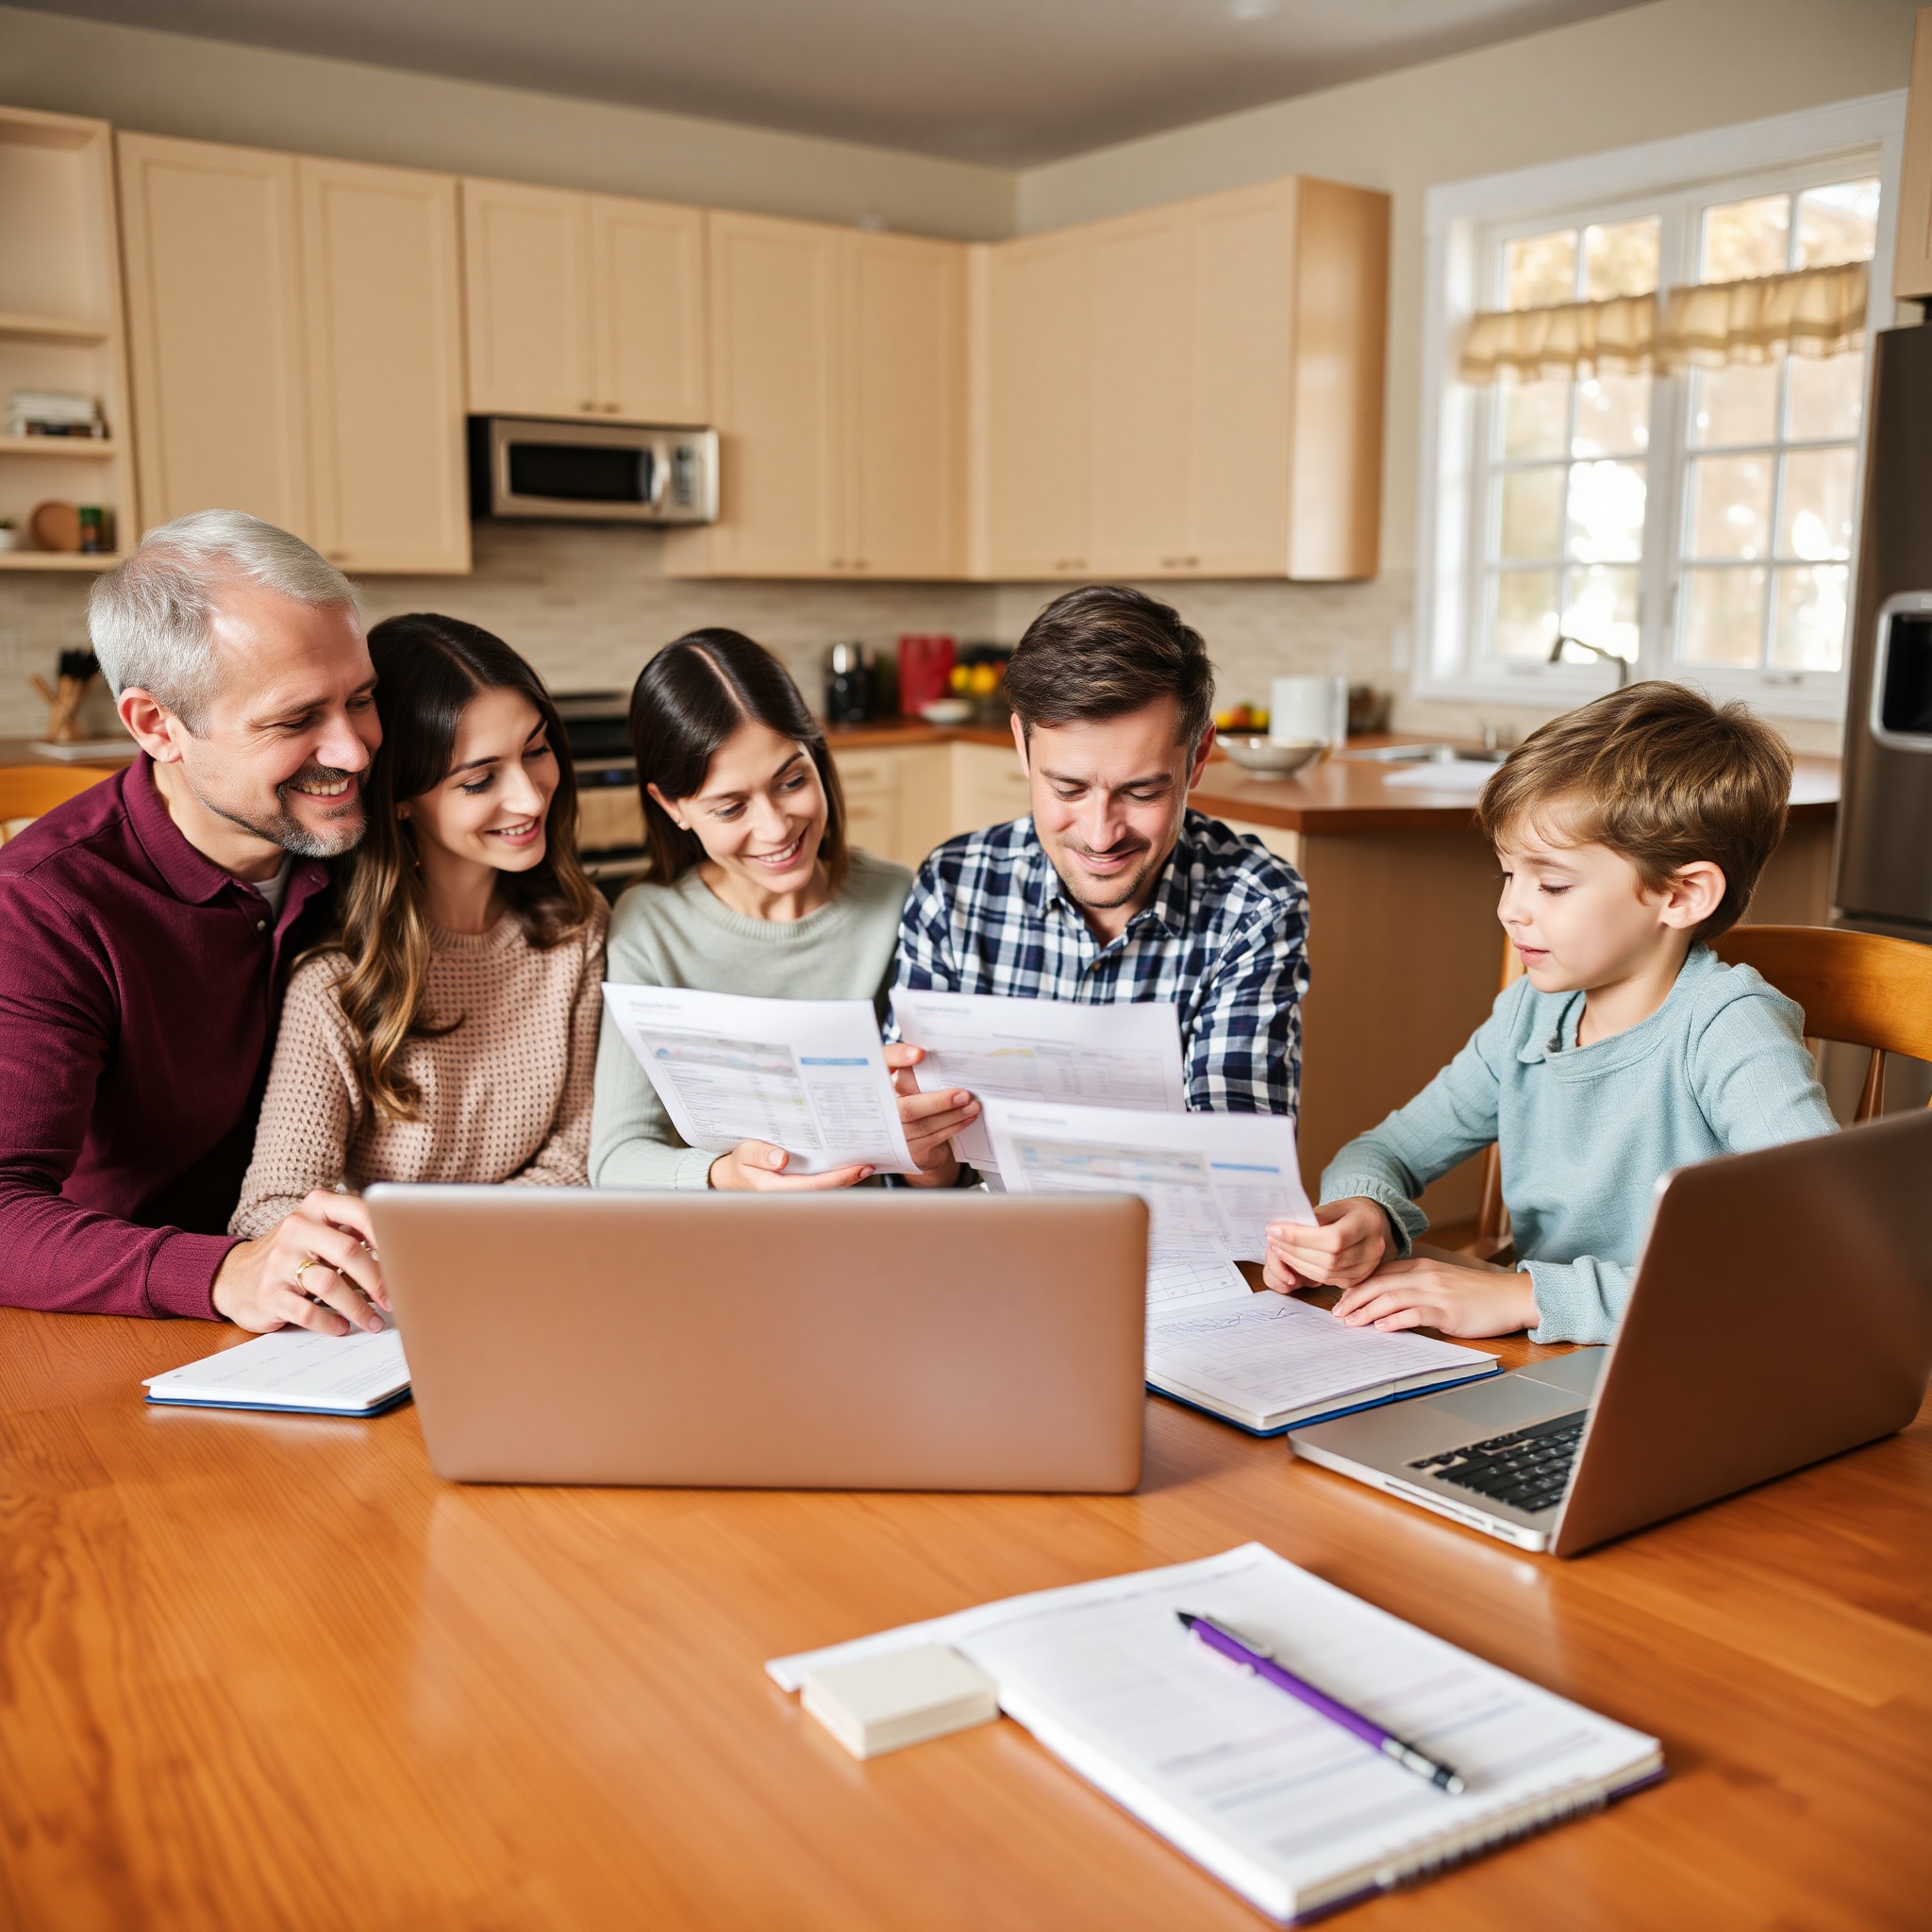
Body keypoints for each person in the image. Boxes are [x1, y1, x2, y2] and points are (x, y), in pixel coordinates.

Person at [1265, 681, 1837, 1344]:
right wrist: (1363, 1212)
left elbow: (1819, 1247)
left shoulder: (1728, 1028)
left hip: (1696, 1354)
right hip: (1561, 1355)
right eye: (1508, 874)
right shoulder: (1530, 1017)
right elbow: (1385, 1151)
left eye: (1553, 883)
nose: (1512, 908)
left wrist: (1529, 1295)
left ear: (1681, 896)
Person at [0, 509, 391, 1334]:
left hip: (362, 1300)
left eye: (361, 699)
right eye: (295, 721)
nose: (355, 751)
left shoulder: (370, 836)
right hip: (130, 1326)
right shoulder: (43, 906)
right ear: (156, 725)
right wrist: (223, 1270)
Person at [891, 585, 1311, 1187]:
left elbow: (1236, 1171)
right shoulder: (954, 885)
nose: (1100, 834)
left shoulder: (1254, 904)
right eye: (1066, 789)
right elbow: (926, 1172)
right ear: (1021, 745)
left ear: (1197, 759)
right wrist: (919, 1152)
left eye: (1142, 792)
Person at [232, 616, 608, 1255]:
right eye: (479, 779)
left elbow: (578, 1155)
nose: (529, 797)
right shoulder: (335, 986)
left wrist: (452, 1242)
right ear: (401, 797)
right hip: (389, 1294)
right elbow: (272, 1210)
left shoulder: (575, 930)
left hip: (535, 1266)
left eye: (536, 750)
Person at [590, 629, 970, 1190]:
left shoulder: (896, 899)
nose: (774, 828)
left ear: (817, 757)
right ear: (673, 807)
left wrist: (929, 1155)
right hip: (723, 1245)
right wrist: (728, 1178)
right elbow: (616, 1159)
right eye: (730, 807)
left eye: (791, 781)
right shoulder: (650, 929)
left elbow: (943, 1175)